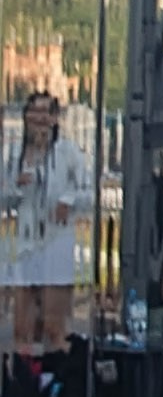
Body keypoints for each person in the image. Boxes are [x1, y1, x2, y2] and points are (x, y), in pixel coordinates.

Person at [3, 91, 92, 357]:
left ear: (55, 118)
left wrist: (68, 201)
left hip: (57, 242)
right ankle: (26, 387)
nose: (40, 119)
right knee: (23, 328)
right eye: (34, 112)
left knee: (54, 327)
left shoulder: (68, 152)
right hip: (25, 245)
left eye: (46, 113)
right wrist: (16, 188)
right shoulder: (13, 154)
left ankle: (58, 383)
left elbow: (90, 190)